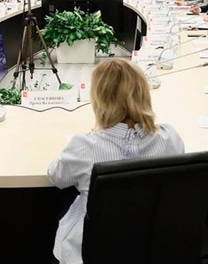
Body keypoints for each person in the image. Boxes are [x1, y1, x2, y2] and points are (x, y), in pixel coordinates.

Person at [47, 59, 185, 264]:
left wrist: (93, 136)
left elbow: (55, 176)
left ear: (98, 98)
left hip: (91, 253)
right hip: (152, 247)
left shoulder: (84, 146)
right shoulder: (169, 137)